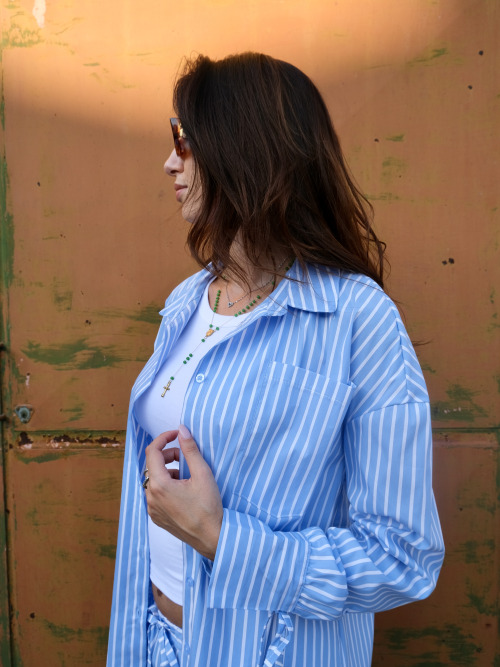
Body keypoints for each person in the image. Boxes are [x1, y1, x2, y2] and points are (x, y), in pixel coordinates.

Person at [107, 53, 444, 667]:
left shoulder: (355, 318)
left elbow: (402, 556)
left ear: (243, 148)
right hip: (160, 644)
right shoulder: (188, 300)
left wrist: (221, 539)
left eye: (183, 140)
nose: (170, 162)